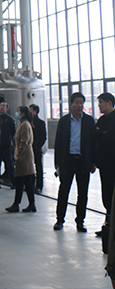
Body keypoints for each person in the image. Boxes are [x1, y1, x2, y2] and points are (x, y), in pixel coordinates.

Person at [53, 92, 97, 232]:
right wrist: (57, 162)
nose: (79, 105)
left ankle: (80, 222)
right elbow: (58, 142)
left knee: (82, 193)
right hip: (67, 161)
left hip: (83, 161)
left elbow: (93, 143)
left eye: (81, 103)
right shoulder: (64, 121)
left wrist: (93, 162)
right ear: (71, 104)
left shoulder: (89, 121)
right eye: (77, 102)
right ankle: (59, 220)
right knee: (63, 191)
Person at [5, 106, 36, 213]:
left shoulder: (25, 125)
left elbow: (24, 141)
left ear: (23, 114)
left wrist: (18, 155)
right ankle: (30, 204)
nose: (17, 113)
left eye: (18, 112)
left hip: (24, 158)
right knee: (27, 182)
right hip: (24, 157)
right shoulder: (23, 124)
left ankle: (17, 204)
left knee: (20, 182)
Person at [95, 92, 115, 236]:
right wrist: (102, 133)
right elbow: (95, 136)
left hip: (112, 163)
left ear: (109, 103)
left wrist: (101, 134)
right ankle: (108, 226)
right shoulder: (102, 120)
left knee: (112, 195)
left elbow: (110, 139)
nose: (99, 105)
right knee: (106, 195)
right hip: (103, 164)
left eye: (101, 102)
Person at [0, 102, 16, 189]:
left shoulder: (10, 119)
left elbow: (13, 133)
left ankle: (13, 182)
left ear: (7, 109)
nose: (2, 107)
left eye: (4, 106)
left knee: (10, 165)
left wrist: (14, 145)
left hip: (7, 146)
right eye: (1, 106)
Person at [29, 104, 47, 193]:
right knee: (29, 168)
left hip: (36, 148)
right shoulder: (27, 122)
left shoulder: (40, 123)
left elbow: (43, 137)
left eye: (31, 110)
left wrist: (37, 146)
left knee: (39, 168)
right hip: (29, 149)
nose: (29, 112)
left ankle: (39, 186)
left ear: (35, 111)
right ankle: (30, 185)